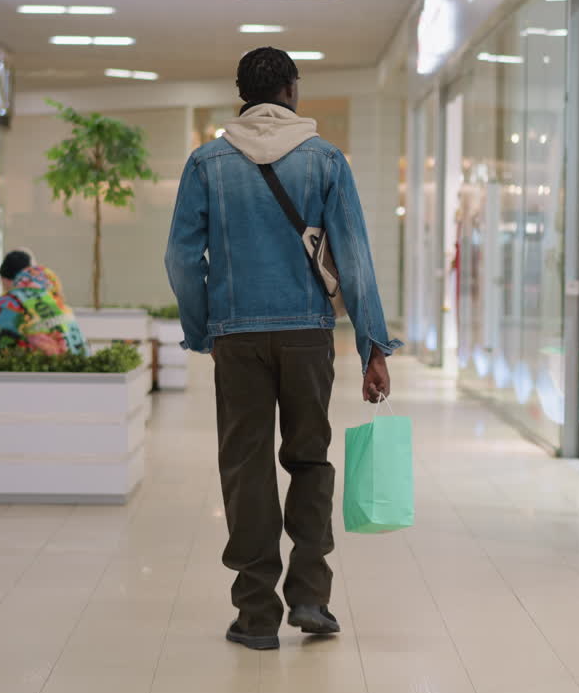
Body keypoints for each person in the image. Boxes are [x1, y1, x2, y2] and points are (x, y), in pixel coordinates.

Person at [165, 47, 402, 651]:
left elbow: (180, 258)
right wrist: (373, 345)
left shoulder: (206, 162)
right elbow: (353, 257)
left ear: (241, 92)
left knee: (245, 466)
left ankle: (255, 615)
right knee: (309, 458)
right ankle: (311, 598)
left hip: (237, 337)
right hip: (306, 336)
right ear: (293, 91)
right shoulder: (324, 159)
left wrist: (202, 327)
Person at [0, 250, 89, 356]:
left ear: (5, 279)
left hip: (37, 374)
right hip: (76, 369)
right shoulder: (55, 298)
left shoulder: (11, 302)